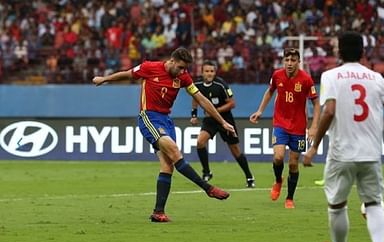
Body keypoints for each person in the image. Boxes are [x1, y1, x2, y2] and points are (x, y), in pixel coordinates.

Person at [303, 31, 384, 242]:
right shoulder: (376, 78)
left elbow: (329, 111)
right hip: (370, 153)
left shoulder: (330, 76)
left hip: (341, 154)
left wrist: (314, 145)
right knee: (374, 203)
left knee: (337, 205)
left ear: (338, 52)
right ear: (363, 52)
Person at [92, 47, 233, 223]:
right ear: (172, 61)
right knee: (174, 152)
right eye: (180, 67)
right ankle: (208, 188)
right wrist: (104, 79)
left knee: (168, 166)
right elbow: (127, 74)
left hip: (166, 120)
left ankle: (158, 212)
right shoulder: (149, 67)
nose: (182, 72)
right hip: (149, 117)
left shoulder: (183, 77)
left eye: (185, 68)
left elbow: (202, 100)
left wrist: (222, 121)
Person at [250, 47, 320, 209]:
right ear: (283, 61)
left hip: (298, 127)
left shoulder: (306, 80)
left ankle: (289, 198)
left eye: (293, 60)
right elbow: (270, 92)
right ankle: (278, 180)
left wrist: (314, 126)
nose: (289, 63)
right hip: (280, 123)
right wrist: (260, 110)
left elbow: (316, 103)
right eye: (286, 60)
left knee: (294, 164)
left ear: (299, 62)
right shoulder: (277, 75)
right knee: (278, 157)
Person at [190, 60, 255, 188]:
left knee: (235, 151)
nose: (209, 74)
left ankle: (249, 176)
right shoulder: (196, 84)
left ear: (215, 72)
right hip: (210, 120)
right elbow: (195, 98)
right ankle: (207, 172)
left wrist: (215, 111)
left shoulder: (221, 85)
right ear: (202, 72)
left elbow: (232, 103)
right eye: (206, 71)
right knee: (200, 142)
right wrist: (194, 115)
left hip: (225, 120)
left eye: (211, 71)